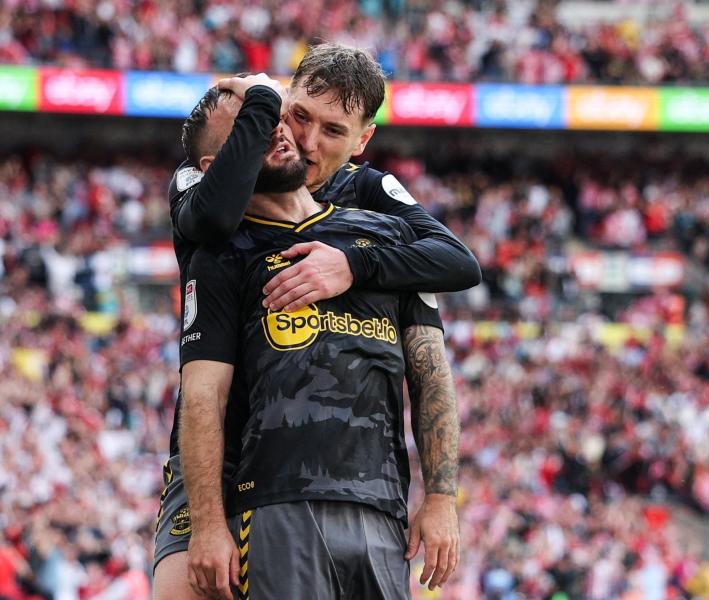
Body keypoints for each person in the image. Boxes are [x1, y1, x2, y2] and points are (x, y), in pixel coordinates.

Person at [154, 44, 477, 599]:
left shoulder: (374, 206)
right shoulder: (213, 185)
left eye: (332, 130)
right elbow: (205, 215)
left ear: (361, 140)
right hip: (226, 465)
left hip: (363, 494)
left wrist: (354, 262)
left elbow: (458, 268)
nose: (304, 142)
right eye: (296, 116)